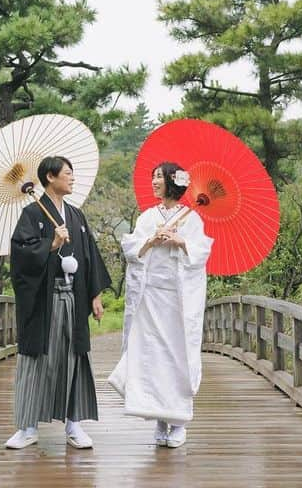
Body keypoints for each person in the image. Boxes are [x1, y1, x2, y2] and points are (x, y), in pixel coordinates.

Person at [5, 156, 112, 450]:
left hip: (74, 301)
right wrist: (50, 245)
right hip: (44, 301)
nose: (72, 178)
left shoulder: (76, 216)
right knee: (38, 359)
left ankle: (74, 425)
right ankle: (27, 427)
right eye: (68, 173)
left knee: (74, 358)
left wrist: (95, 295)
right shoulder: (31, 214)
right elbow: (20, 257)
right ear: (50, 177)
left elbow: (89, 256)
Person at [108, 162, 213, 448]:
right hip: (151, 296)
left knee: (177, 357)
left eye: (158, 177)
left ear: (171, 182)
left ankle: (178, 421)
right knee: (152, 356)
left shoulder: (191, 219)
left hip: (177, 300)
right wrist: (152, 241)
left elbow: (201, 253)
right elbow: (132, 250)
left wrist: (180, 241)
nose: (153, 182)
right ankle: (159, 418)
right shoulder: (147, 217)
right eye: (153, 176)